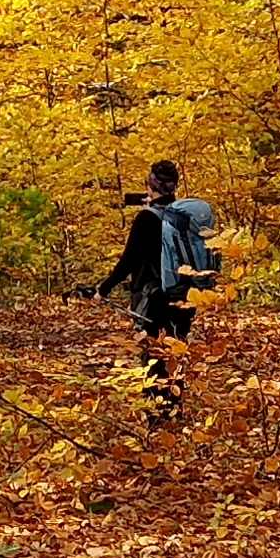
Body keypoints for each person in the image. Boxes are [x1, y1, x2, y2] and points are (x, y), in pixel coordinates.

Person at [93, 160, 216, 417]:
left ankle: (157, 417)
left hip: (153, 298)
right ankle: (174, 409)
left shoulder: (147, 218)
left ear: (149, 186)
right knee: (176, 350)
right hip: (185, 294)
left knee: (154, 355)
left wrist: (103, 289)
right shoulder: (182, 218)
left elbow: (129, 260)